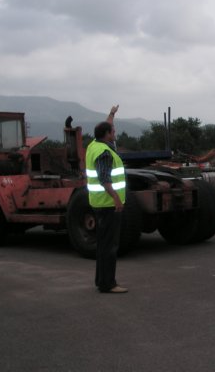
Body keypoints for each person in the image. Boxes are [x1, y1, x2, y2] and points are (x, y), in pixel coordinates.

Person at [85, 105, 128, 293]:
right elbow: (104, 178)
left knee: (103, 245)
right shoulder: (104, 153)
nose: (115, 132)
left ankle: (101, 280)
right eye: (113, 131)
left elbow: (106, 126)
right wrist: (117, 200)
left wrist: (111, 114)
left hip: (99, 203)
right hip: (109, 205)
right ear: (107, 135)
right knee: (110, 246)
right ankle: (108, 284)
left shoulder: (94, 145)